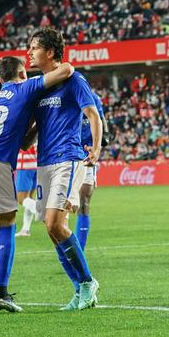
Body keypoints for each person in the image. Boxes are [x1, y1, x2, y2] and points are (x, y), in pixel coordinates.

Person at [0, 56, 75, 316]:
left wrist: (38, 124)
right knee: (6, 227)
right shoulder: (25, 86)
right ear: (22, 74)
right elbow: (67, 69)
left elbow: (23, 143)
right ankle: (1, 293)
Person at [27, 27, 102, 311]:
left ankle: (87, 282)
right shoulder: (42, 86)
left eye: (34, 47)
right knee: (52, 230)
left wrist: (95, 148)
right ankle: (80, 289)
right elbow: (34, 129)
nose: (30, 53)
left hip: (67, 159)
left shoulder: (74, 80)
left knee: (54, 224)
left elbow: (92, 113)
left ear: (49, 52)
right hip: (44, 161)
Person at [76, 90, 109, 249]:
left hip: (87, 154)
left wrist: (102, 142)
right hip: (66, 153)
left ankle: (79, 252)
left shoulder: (93, 97)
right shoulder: (58, 95)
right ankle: (67, 248)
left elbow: (101, 120)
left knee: (84, 202)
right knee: (61, 207)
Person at [14, 144, 39, 237]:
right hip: (36, 163)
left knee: (21, 199)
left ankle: (41, 210)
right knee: (29, 198)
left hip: (25, 163)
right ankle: (26, 229)